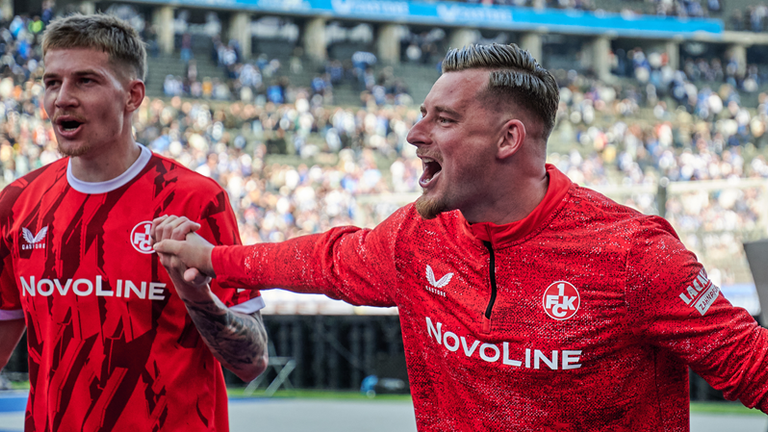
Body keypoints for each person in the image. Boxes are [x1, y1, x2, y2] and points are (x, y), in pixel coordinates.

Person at [153, 43, 768, 430]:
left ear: (508, 140)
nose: (415, 134)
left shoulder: (633, 254)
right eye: (423, 114)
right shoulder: (419, 237)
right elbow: (322, 259)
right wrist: (215, 258)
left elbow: (754, 368)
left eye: (442, 119)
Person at [0, 14, 268, 431]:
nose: (62, 98)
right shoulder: (18, 203)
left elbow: (252, 362)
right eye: (52, 82)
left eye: (85, 81)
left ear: (133, 96)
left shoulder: (196, 199)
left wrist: (196, 295)